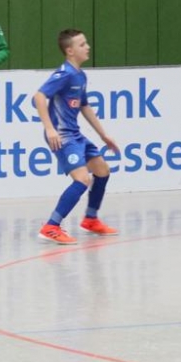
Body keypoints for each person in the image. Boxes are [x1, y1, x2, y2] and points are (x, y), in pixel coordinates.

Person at [33, 30, 120, 245]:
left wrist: (103, 135)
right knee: (82, 179)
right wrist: (50, 129)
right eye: (82, 44)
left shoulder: (80, 76)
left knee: (102, 170)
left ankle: (90, 219)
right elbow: (39, 96)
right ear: (70, 51)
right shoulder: (65, 74)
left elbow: (84, 106)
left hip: (75, 134)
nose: (87, 47)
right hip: (62, 136)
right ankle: (51, 227)